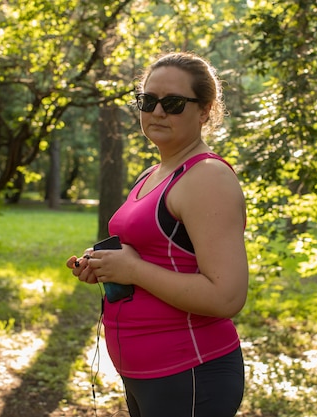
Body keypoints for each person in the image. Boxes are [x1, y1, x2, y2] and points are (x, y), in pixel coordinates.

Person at [66, 51, 248, 417]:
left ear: (205, 110)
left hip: (190, 372)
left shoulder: (207, 177)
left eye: (174, 103)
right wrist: (105, 265)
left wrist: (132, 270)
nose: (157, 112)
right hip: (149, 376)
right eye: (147, 101)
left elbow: (227, 297)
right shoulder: (155, 173)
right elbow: (155, 257)